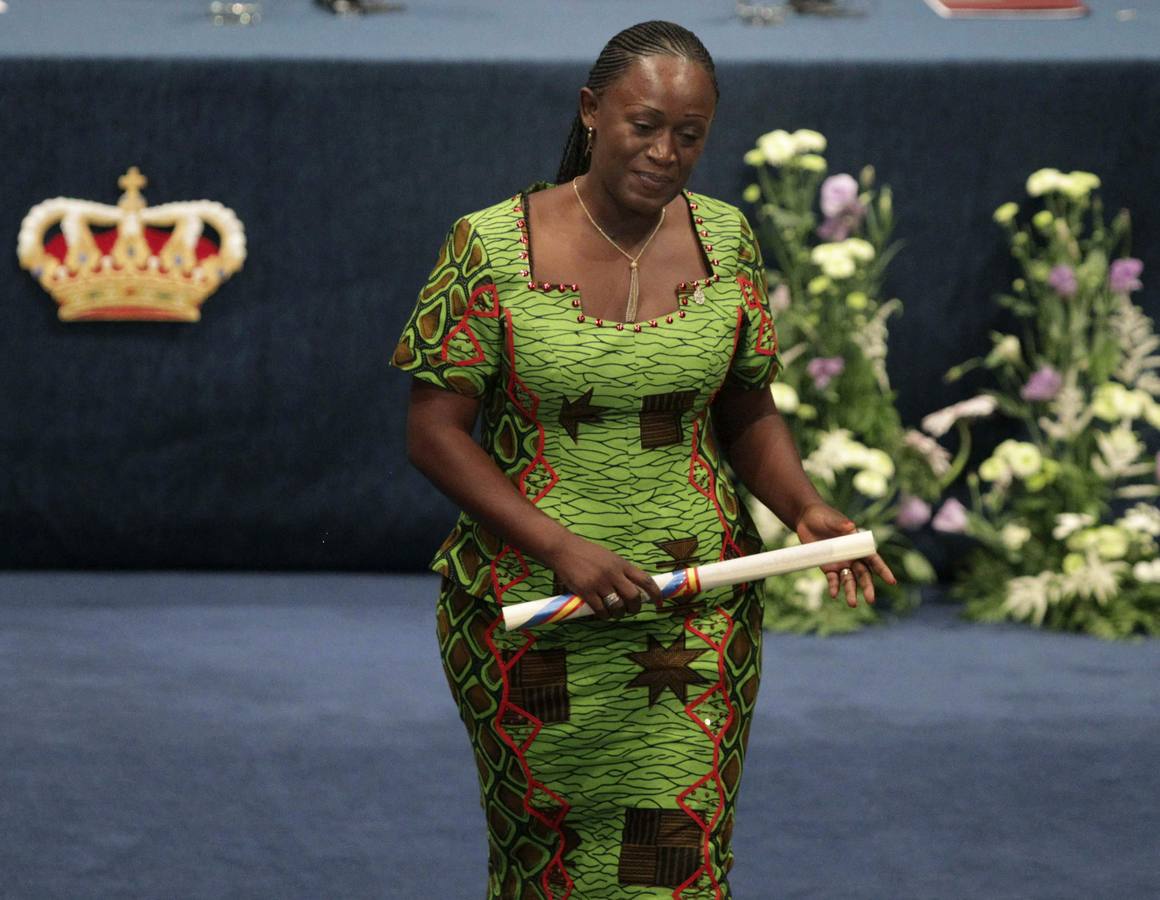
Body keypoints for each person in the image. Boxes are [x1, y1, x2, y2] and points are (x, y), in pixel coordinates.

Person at [391, 20, 895, 899]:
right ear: (592, 112)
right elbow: (433, 434)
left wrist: (803, 506)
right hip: (534, 615)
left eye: (690, 134)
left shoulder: (726, 239)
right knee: (548, 864)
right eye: (645, 125)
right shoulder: (489, 246)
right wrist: (560, 547)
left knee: (678, 858)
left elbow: (748, 412)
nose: (667, 152)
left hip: (697, 608)